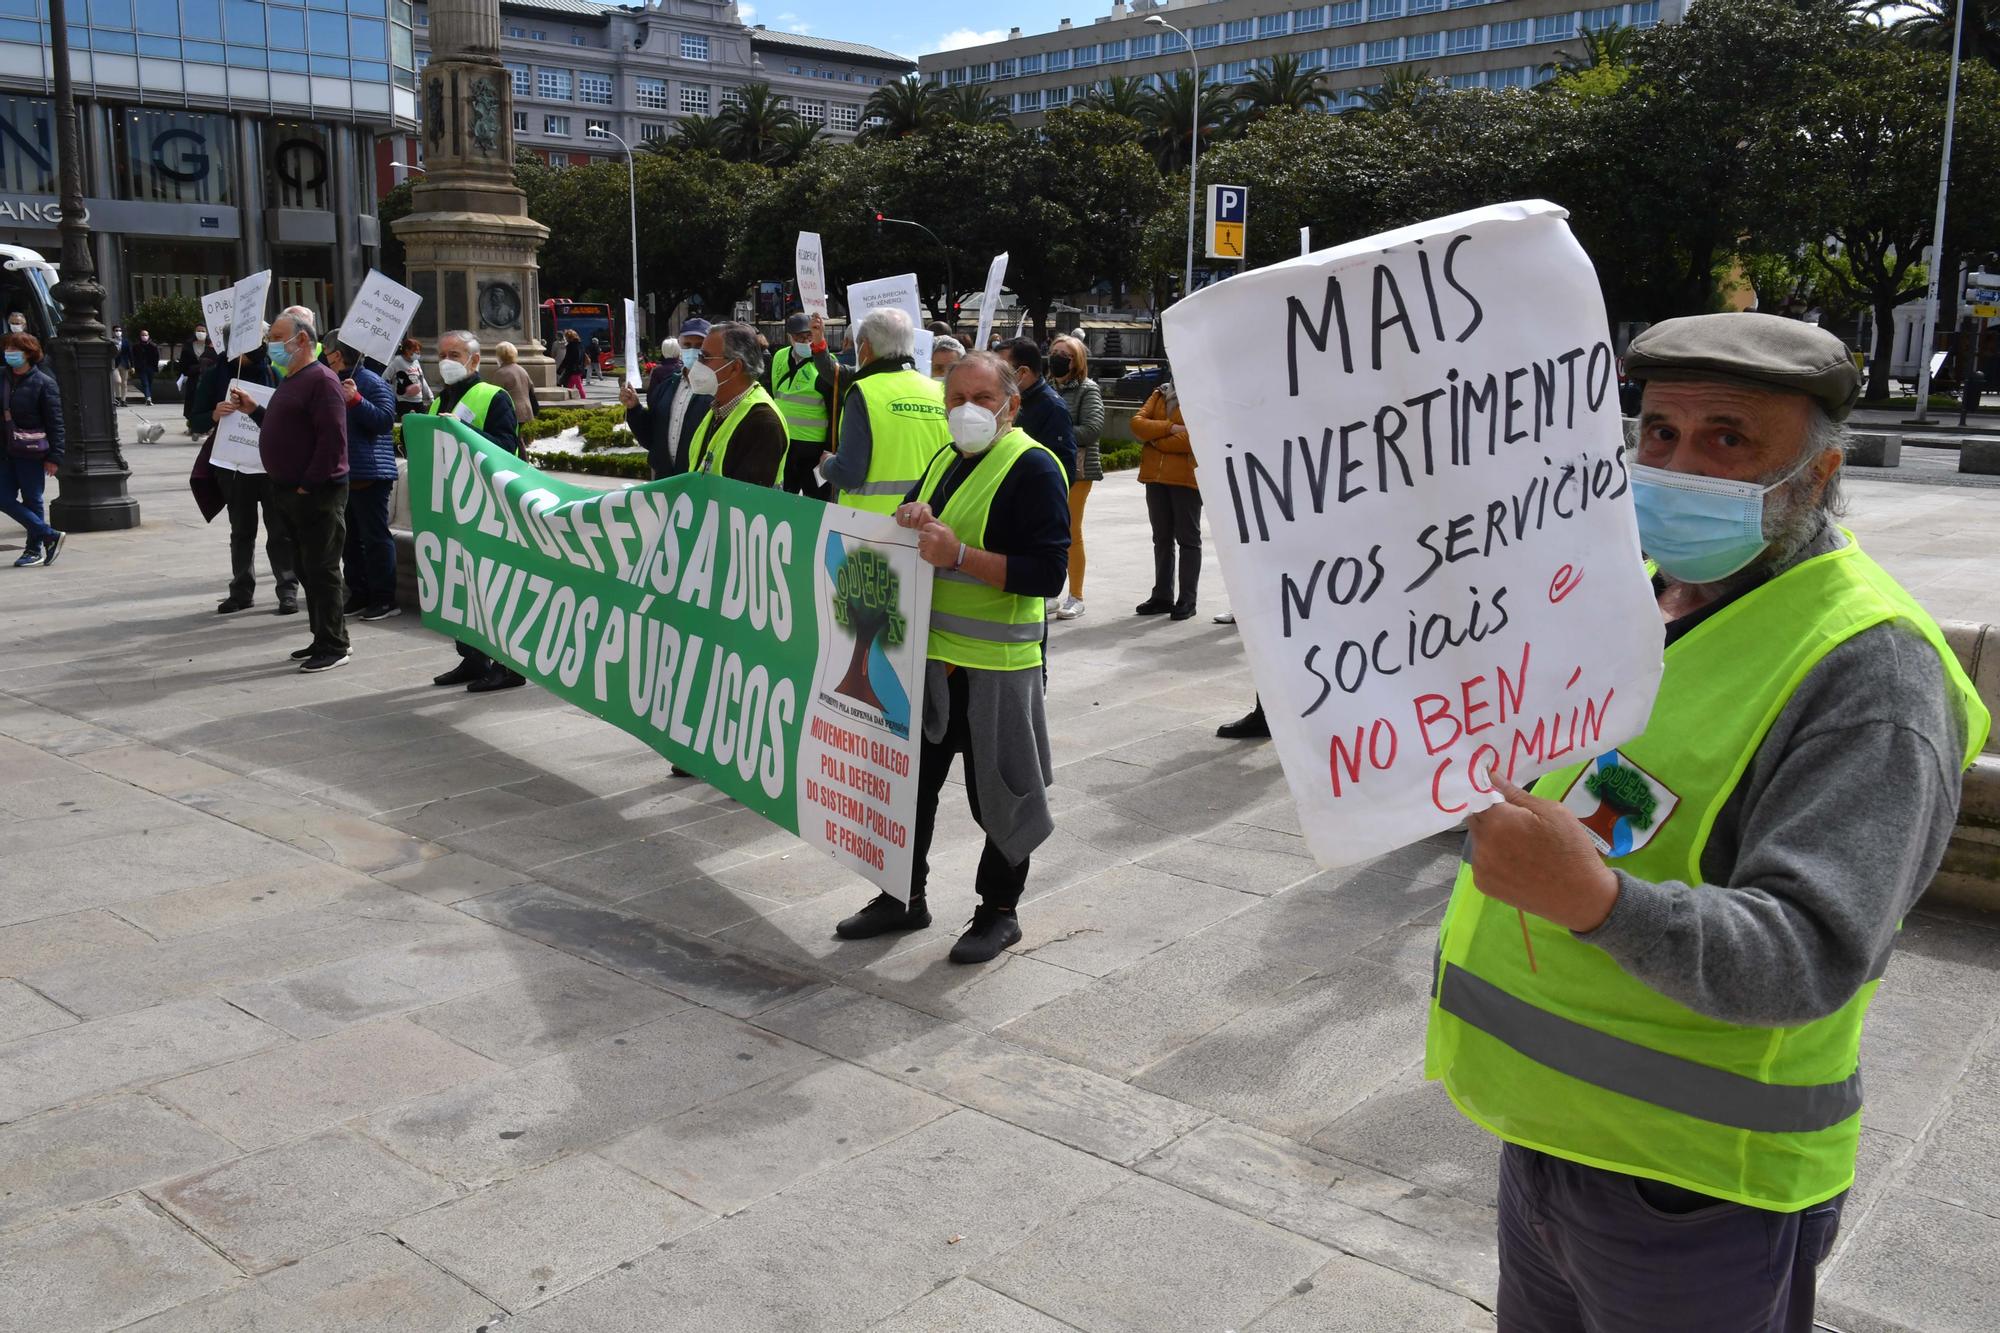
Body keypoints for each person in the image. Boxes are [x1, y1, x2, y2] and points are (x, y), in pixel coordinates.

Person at [1425, 313, 1989, 1333]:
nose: (1678, 466)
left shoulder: (1870, 671)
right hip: (1547, 1151)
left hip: (1695, 1195)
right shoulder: (1628, 603)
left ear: (1817, 475)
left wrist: (1593, 901)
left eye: (1728, 439)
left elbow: (1810, 950)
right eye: (1658, 435)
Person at [834, 352, 1070, 964]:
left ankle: (999, 912)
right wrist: (911, 517)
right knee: (909, 786)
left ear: (1011, 405)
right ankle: (901, 896)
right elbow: (917, 525)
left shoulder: (1033, 466)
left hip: (996, 666)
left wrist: (960, 555)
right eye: (955, 400)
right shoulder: (944, 457)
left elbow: (1048, 573)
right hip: (932, 660)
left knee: (1003, 793)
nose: (967, 411)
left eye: (982, 399)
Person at [232, 312, 349, 672]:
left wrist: (307, 484)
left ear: (301, 341)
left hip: (317, 493)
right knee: (305, 567)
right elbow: (285, 427)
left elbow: (332, 441)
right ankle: (320, 635)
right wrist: (254, 411)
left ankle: (334, 644)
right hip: (289, 491)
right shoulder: (292, 379)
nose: (270, 344)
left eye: (277, 337)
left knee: (322, 567)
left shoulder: (322, 381)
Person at [422, 330, 527, 693]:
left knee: (493, 587)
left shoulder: (493, 396)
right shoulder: (439, 400)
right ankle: (473, 656)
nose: (446, 360)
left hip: (490, 509)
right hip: (454, 505)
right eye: (442, 354)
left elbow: (506, 445)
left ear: (475, 360)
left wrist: (463, 429)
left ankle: (509, 665)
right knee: (462, 586)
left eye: (454, 354)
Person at [818, 308, 948, 515]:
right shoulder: (940, 391)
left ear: (866, 347)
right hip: (927, 521)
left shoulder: (863, 392)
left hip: (870, 525)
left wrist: (826, 464)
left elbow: (848, 474)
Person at [323, 334, 400, 621]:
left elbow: (384, 420)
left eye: (327, 352)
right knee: (349, 539)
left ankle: (385, 598)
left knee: (375, 538)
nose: (325, 358)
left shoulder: (370, 380)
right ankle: (359, 592)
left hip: (370, 472)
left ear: (338, 355)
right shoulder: (332, 381)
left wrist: (356, 400)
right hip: (345, 472)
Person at [1130, 373, 1201, 620]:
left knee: (1188, 539)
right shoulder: (1160, 392)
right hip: (1155, 478)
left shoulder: (1201, 395)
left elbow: (1196, 437)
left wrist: (1156, 441)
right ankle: (1162, 595)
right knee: (1161, 538)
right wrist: (1170, 428)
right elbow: (1137, 424)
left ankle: (1187, 600)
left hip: (1185, 479)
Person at [683, 321, 787, 487]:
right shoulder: (718, 409)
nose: (697, 365)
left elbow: (746, 503)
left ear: (735, 367)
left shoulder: (763, 422)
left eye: (704, 357)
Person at [1048, 333, 1101, 621]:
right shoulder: (1045, 387)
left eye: (1064, 354)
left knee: (1071, 532)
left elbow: (1092, 428)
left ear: (1076, 360)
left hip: (1076, 471)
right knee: (1048, 532)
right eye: (1054, 351)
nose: (1057, 357)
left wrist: (1056, 434)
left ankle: (1076, 596)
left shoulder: (1087, 389)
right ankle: (1051, 594)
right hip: (1048, 469)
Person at [1, 332, 67, 567]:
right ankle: (49, 534)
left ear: (29, 353)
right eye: (7, 348)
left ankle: (33, 549)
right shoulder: (2, 377)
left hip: (30, 451)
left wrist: (55, 456)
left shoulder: (44, 382)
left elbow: (56, 422)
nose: (9, 353)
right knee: (3, 497)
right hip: (5, 451)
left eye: (14, 349)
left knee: (32, 499)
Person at [621, 324, 713, 481]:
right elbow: (651, 437)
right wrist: (635, 408)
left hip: (699, 483)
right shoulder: (667, 386)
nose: (692, 350)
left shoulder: (716, 389)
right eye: (687, 345)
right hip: (665, 483)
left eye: (699, 345)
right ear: (680, 347)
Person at [763, 311, 838, 497]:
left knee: (816, 501)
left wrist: (829, 448)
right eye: (799, 337)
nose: (805, 342)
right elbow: (773, 392)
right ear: (790, 338)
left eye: (808, 336)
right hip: (784, 441)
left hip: (814, 447)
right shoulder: (779, 356)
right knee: (783, 497)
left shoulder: (826, 364)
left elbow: (834, 409)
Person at [995, 337, 1078, 485]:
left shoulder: (1052, 407)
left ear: (1023, 373)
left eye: (1001, 371)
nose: (994, 377)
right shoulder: (1006, 399)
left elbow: (1063, 469)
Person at [180, 327, 220, 436]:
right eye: (199, 331)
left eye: (203, 331)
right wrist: (197, 368)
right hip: (194, 379)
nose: (201, 333)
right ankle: (192, 426)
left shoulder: (212, 347)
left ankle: (207, 427)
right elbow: (183, 366)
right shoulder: (188, 347)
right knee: (192, 404)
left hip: (208, 380)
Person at [492, 340, 538, 427]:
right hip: (526, 412)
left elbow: (494, 394)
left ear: (500, 356)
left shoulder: (501, 373)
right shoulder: (522, 369)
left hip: (511, 413)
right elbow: (531, 389)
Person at [387, 336, 432, 419]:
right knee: (407, 424)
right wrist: (393, 394)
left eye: (419, 350)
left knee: (421, 422)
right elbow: (385, 378)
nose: (418, 353)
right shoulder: (397, 361)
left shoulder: (416, 362)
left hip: (418, 399)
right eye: (415, 350)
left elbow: (421, 379)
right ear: (407, 350)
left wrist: (430, 396)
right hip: (403, 400)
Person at [131, 328, 160, 405]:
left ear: (148, 336)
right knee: (145, 383)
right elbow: (133, 357)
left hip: (151, 367)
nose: (144, 336)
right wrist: (134, 366)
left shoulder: (153, 346)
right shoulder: (136, 346)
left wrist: (155, 367)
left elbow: (156, 357)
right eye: (143, 335)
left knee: (149, 383)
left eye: (146, 335)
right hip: (141, 367)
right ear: (140, 336)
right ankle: (148, 398)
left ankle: (148, 397)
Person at [556, 328, 586, 396]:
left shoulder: (571, 346)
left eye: (566, 337)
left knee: (577, 387)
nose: (566, 338)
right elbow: (583, 358)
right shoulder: (581, 345)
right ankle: (572, 399)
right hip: (579, 369)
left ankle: (583, 400)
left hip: (573, 370)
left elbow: (567, 359)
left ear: (569, 338)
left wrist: (560, 369)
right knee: (570, 386)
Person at [113, 325, 131, 402]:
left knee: (124, 383)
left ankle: (123, 400)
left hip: (124, 364)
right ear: (113, 332)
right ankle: (117, 397)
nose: (118, 332)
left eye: (120, 330)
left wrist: (132, 365)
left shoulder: (126, 342)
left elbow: (130, 354)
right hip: (114, 364)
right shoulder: (111, 341)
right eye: (116, 330)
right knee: (118, 381)